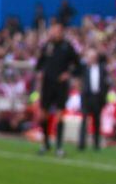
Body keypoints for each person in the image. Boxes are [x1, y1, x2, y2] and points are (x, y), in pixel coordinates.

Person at [35, 22, 80, 157]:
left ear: (61, 32)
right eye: (52, 30)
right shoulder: (47, 46)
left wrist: (68, 73)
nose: (53, 33)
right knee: (44, 114)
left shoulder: (67, 46)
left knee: (60, 115)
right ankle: (45, 143)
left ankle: (59, 146)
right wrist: (41, 72)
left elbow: (77, 64)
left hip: (61, 86)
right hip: (47, 84)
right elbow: (39, 64)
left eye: (56, 31)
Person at [78, 47, 109, 151]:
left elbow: (105, 84)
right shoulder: (84, 68)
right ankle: (81, 144)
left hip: (97, 98)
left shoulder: (102, 68)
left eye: (92, 57)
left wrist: (103, 97)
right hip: (87, 97)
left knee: (97, 121)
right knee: (84, 121)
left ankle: (96, 144)